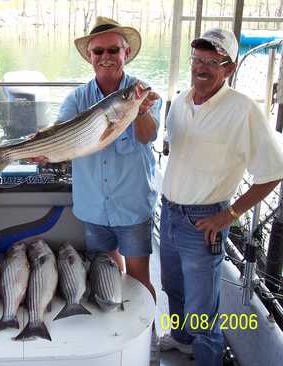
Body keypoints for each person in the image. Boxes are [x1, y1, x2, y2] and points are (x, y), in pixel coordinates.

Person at [33, 15, 161, 360]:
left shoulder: (141, 92)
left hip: (132, 202)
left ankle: (148, 341)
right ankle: (114, 338)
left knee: (139, 277)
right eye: (98, 51)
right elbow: (60, 135)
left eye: (113, 50)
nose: (106, 56)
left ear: (127, 52)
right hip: (93, 205)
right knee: (107, 270)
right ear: (89, 56)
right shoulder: (77, 98)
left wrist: (142, 111)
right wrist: (40, 150)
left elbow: (148, 136)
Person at [159, 28, 283, 366]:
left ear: (227, 68)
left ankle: (207, 358)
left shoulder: (243, 111)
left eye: (212, 61)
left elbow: (273, 172)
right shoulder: (182, 101)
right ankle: (182, 339)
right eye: (197, 59)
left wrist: (229, 216)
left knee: (202, 305)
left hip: (204, 221)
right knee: (174, 287)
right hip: (169, 212)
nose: (201, 66)